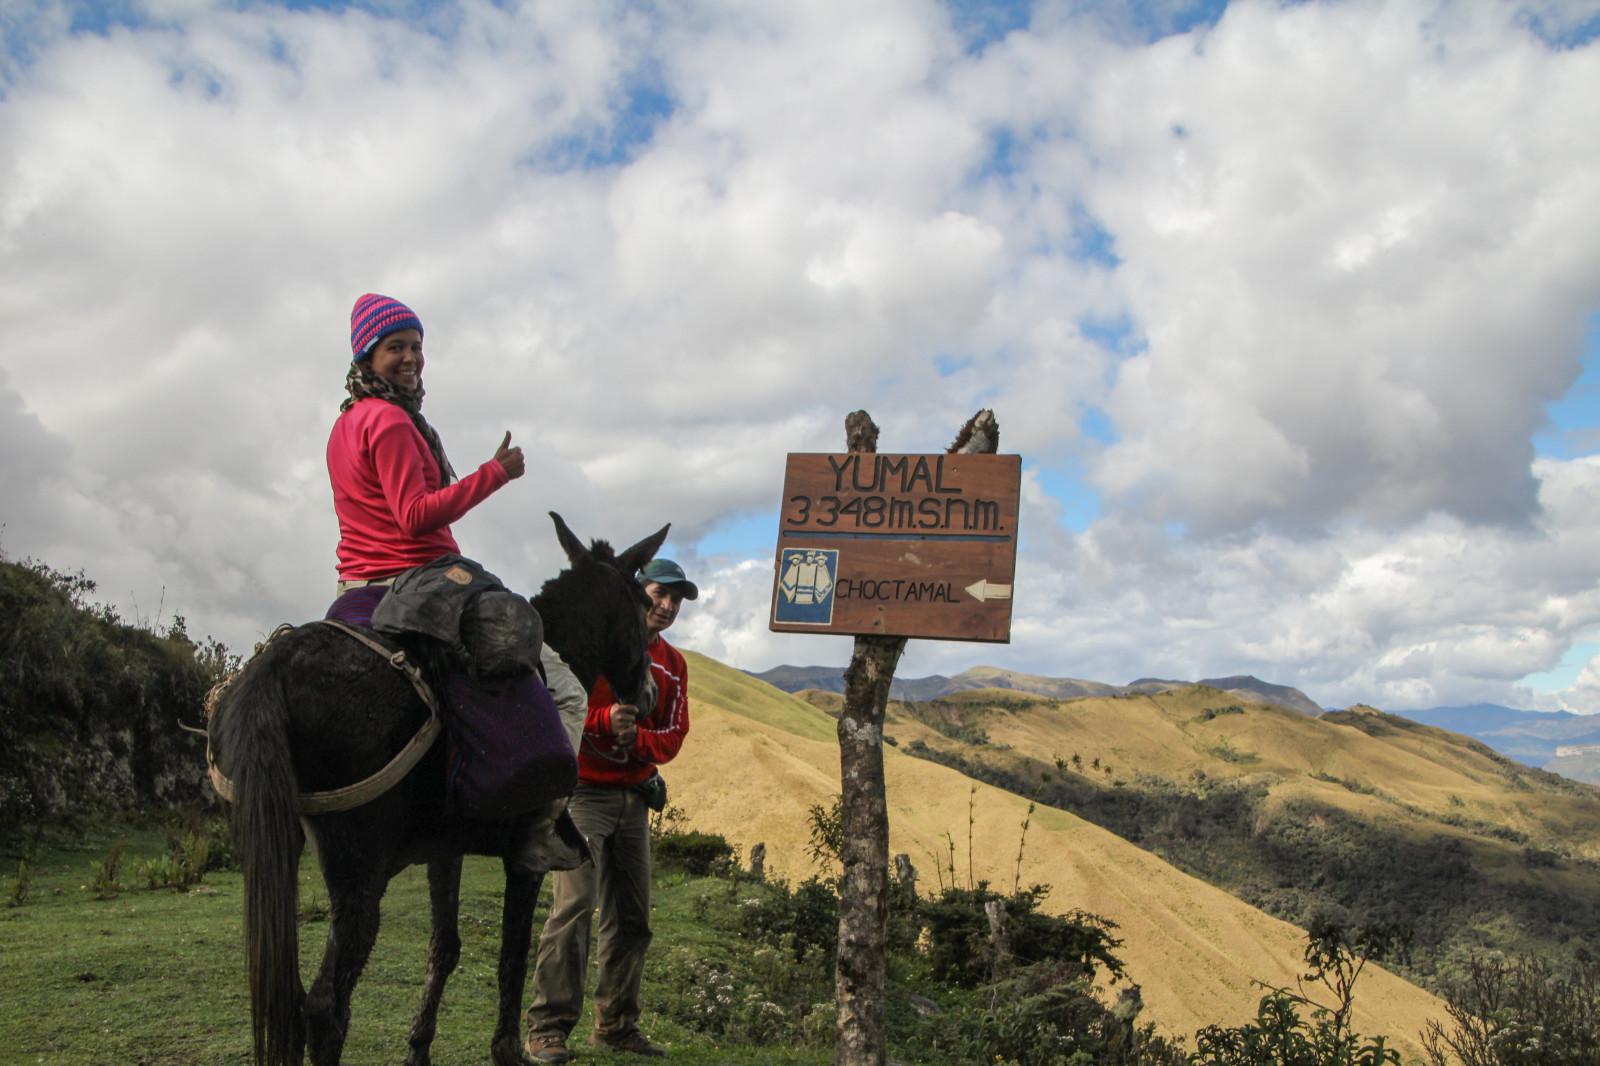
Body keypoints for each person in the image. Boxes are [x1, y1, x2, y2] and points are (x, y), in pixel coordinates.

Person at [525, 558, 698, 1063]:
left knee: (633, 918)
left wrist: (637, 739)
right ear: (638, 594)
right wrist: (602, 721)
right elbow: (555, 706)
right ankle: (547, 1028)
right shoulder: (595, 646)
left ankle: (617, 1027)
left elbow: (674, 734)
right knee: (574, 906)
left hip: (635, 799)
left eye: (676, 599)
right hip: (582, 794)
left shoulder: (674, 664)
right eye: (659, 594)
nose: (667, 606)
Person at [327, 292, 523, 600]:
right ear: (368, 357)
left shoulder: (345, 422)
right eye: (395, 347)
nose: (411, 358)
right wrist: (495, 473)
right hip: (411, 579)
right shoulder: (390, 418)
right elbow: (414, 516)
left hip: (353, 584)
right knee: (524, 627)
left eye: (416, 347)